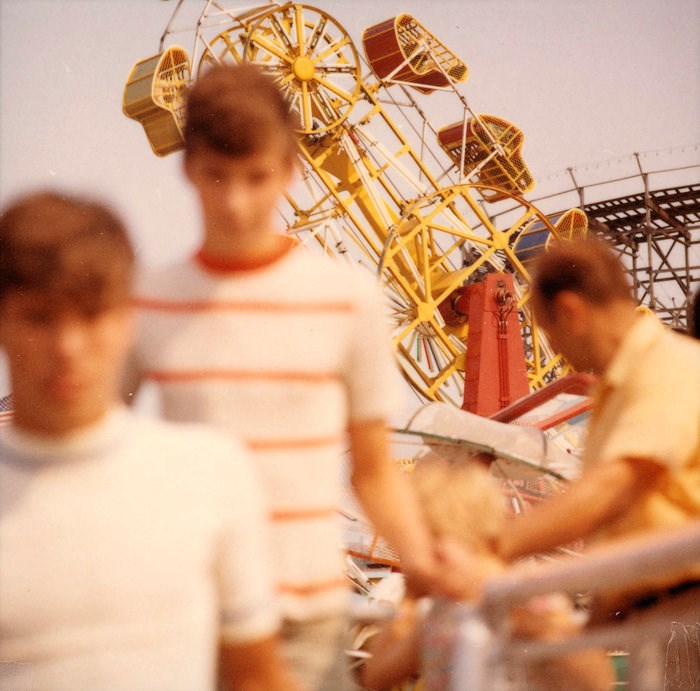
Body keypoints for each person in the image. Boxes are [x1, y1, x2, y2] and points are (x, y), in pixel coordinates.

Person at [125, 62, 439, 689]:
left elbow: (374, 471)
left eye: (256, 177)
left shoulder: (349, 300)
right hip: (189, 613)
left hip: (306, 613)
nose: (236, 202)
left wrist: (433, 566)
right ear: (188, 169)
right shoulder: (148, 302)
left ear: (292, 171)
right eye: (217, 177)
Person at [0, 191, 299, 691]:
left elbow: (257, 678)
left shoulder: (212, 475)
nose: (67, 348)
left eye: (91, 316)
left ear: (129, 320)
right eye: (39, 318)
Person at [497, 236, 700, 618]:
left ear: (571, 312)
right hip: (652, 610)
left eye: (549, 332)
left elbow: (610, 490)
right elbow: (626, 521)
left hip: (685, 610)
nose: (555, 350)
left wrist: (492, 548)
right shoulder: (616, 395)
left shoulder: (667, 369)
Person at [360, 457, 615, 691]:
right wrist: (410, 597)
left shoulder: (527, 600)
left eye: (433, 554)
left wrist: (538, 627)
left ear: (471, 536)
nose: (422, 566)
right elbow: (378, 676)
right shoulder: (441, 615)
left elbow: (597, 682)